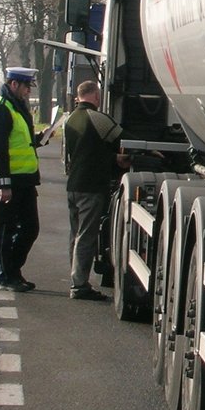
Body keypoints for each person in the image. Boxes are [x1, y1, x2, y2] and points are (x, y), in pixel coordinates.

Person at [64, 80, 131, 300]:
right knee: (86, 235)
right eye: (98, 95)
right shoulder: (98, 118)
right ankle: (79, 284)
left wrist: (109, 157)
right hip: (91, 186)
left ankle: (75, 277)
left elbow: (85, 152)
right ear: (94, 96)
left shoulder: (70, 119)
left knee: (75, 234)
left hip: (73, 185)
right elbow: (125, 139)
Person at [0, 66, 44, 292]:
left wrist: (39, 139)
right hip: (8, 181)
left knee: (31, 228)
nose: (28, 91)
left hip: (26, 180)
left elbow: (19, 141)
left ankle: (13, 269)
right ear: (14, 84)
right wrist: (3, 182)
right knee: (3, 229)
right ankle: (6, 275)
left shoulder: (17, 107)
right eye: (26, 86)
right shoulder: (2, 109)